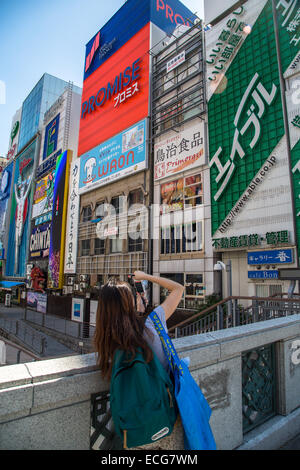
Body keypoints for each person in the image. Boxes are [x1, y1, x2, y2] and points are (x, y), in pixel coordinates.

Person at [93, 271, 184, 379]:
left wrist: (140, 312)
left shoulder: (106, 340)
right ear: (130, 304)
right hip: (162, 390)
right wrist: (146, 276)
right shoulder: (151, 322)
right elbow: (178, 289)